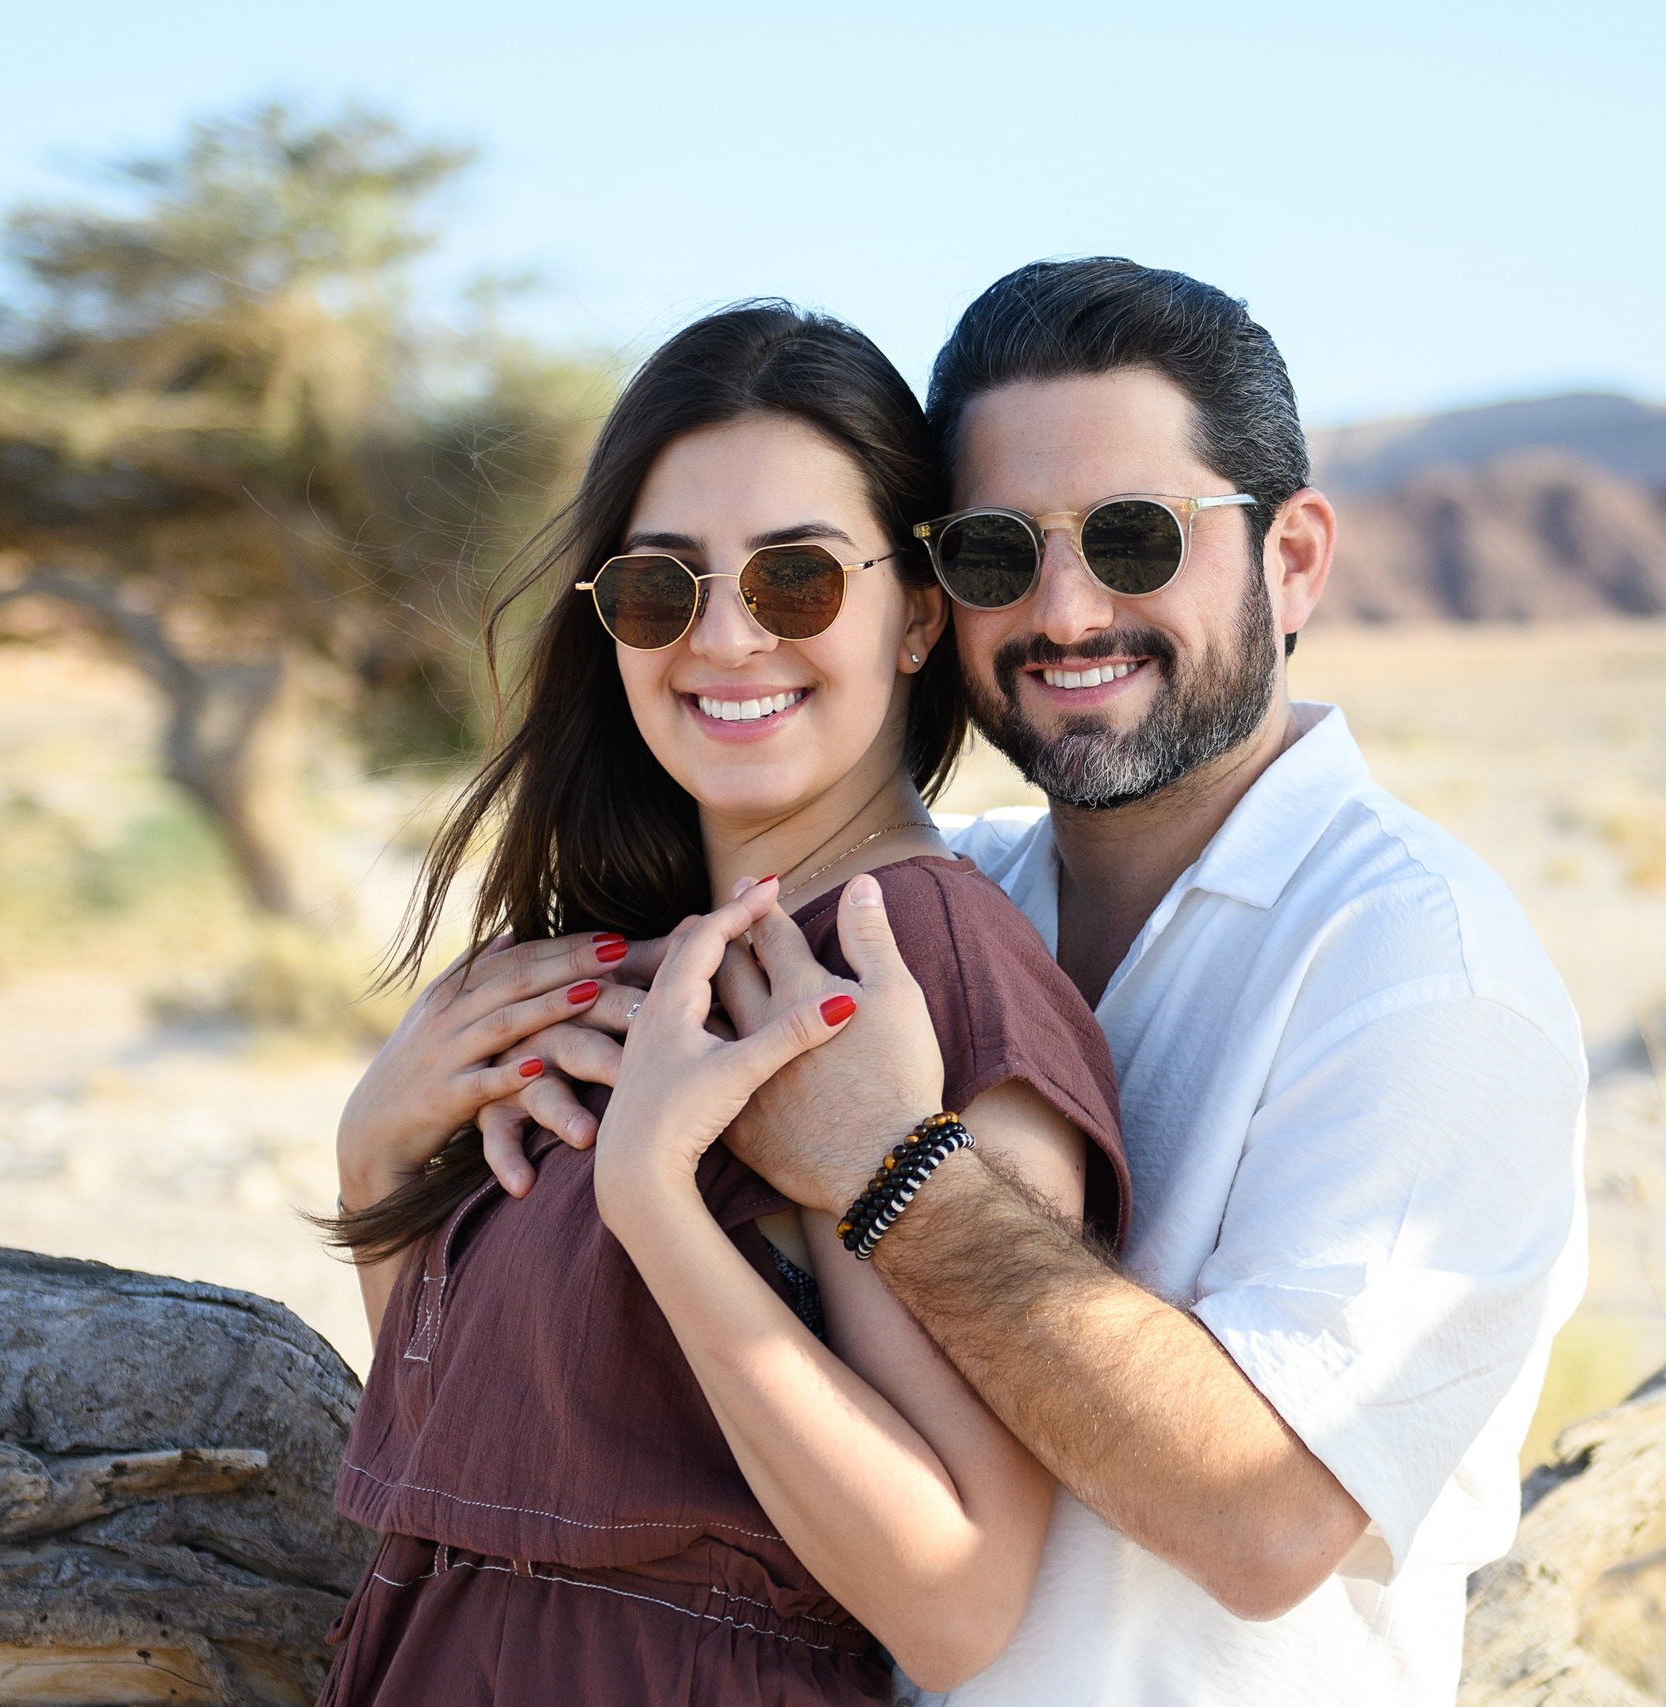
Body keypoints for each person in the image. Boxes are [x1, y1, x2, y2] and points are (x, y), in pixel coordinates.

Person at [479, 260, 1590, 1705]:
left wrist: (896, 1171)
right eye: (1001, 552)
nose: (1066, 612)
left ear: (1294, 557)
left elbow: (1263, 1520)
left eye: (1135, 540)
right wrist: (385, 1153)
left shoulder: (1420, 967)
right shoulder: (939, 906)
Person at [318, 303, 1132, 1704]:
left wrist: (654, 1200)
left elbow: (959, 1594)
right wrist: (378, 1159)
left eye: (798, 580)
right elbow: (494, 1446)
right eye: (660, 587)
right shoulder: (628, 966)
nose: (727, 637)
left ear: (921, 616)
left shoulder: (899, 961)